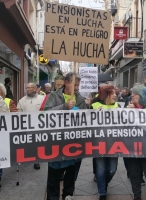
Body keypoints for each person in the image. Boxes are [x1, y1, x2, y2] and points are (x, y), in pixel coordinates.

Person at [44, 72, 86, 200]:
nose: (77, 88)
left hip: (73, 142)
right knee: (54, 175)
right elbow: (45, 113)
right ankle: (53, 197)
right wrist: (64, 106)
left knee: (71, 174)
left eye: (78, 85)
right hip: (56, 141)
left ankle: (68, 195)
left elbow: (85, 118)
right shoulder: (54, 95)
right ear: (66, 83)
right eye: (75, 85)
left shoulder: (80, 99)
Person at [91, 85, 119, 200]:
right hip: (99, 144)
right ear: (106, 95)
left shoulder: (118, 106)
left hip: (114, 144)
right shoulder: (94, 106)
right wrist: (93, 115)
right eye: (113, 94)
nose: (115, 95)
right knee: (101, 169)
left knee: (112, 169)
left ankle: (103, 183)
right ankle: (102, 192)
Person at [17, 83, 45, 170]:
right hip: (27, 126)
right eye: (26, 88)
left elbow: (47, 110)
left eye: (29, 88)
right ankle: (28, 157)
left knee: (37, 144)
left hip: (39, 126)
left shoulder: (42, 99)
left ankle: (36, 161)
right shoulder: (22, 100)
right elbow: (18, 112)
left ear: (34, 89)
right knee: (28, 143)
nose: (27, 89)